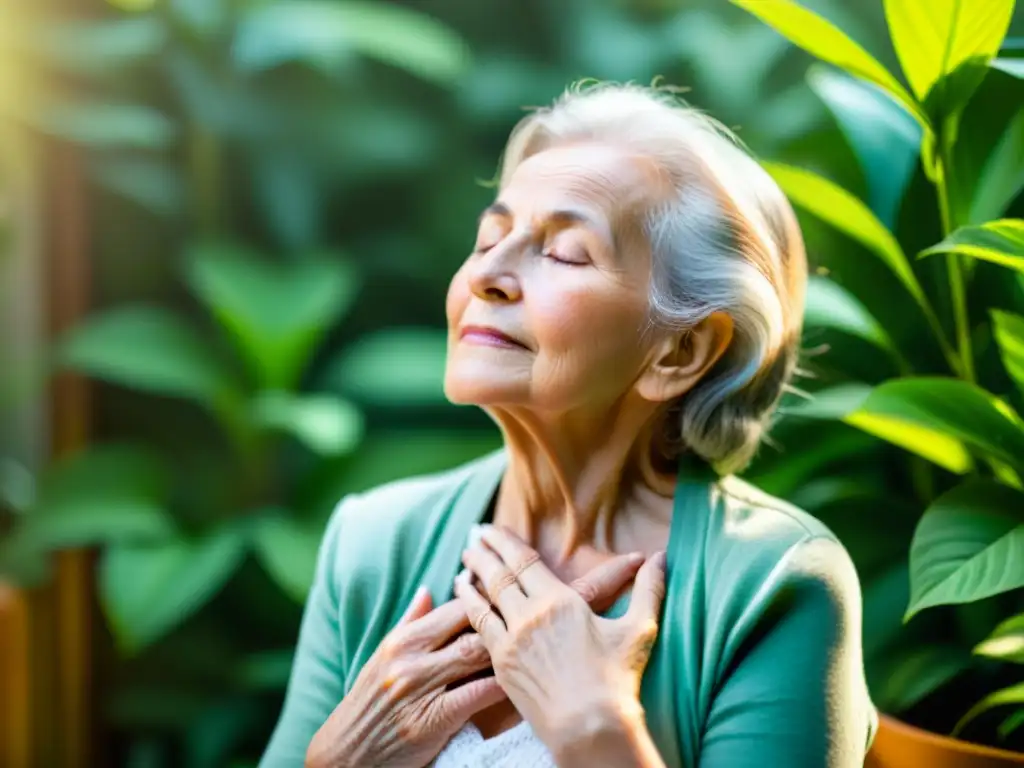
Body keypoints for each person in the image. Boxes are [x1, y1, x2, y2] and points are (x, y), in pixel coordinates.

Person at [260, 82, 877, 768]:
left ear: (678, 351)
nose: (488, 274)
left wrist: (596, 729)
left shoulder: (774, 583)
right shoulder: (373, 543)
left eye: (564, 253)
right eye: (490, 237)